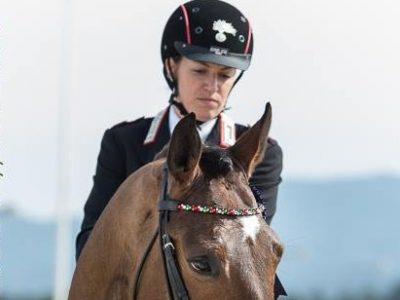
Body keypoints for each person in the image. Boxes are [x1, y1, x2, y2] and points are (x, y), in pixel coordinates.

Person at [75, 0, 286, 298]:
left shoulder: (261, 154)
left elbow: (246, 251)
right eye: (200, 71)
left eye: (224, 76)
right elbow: (91, 244)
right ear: (171, 66)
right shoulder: (124, 142)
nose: (212, 86)